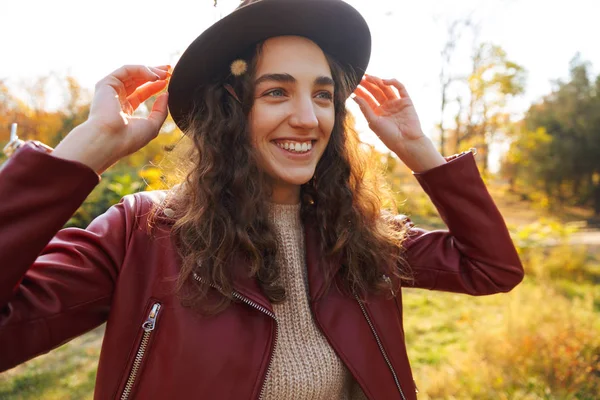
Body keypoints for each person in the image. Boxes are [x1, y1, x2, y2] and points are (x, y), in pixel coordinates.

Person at [0, 0, 524, 399]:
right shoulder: (143, 232)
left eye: (323, 94)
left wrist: (419, 150)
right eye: (277, 91)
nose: (308, 117)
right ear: (228, 111)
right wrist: (84, 151)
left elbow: (491, 268)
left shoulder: (358, 234)